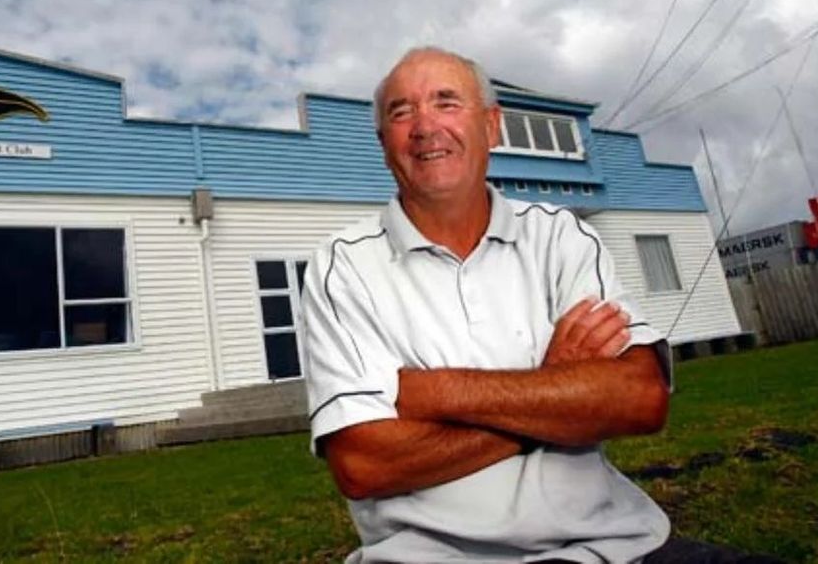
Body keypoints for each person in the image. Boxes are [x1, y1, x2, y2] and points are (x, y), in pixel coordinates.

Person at [300, 47, 765, 563]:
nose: (425, 126)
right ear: (384, 143)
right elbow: (364, 466)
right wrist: (556, 390)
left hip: (610, 548)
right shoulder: (342, 268)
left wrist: (436, 393)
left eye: (446, 102)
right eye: (401, 111)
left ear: (491, 126)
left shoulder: (560, 237)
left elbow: (640, 397)